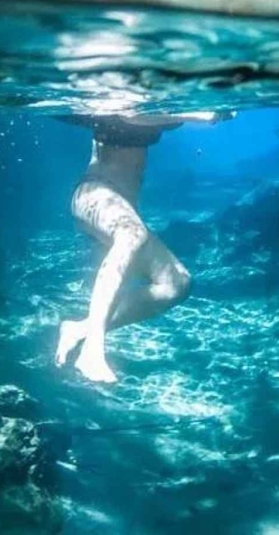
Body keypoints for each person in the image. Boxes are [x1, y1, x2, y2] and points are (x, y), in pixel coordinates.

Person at [55, 111, 225, 383]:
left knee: (177, 284)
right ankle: (92, 350)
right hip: (94, 192)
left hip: (121, 203)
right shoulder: (118, 100)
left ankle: (79, 330)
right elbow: (131, 115)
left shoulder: (159, 100)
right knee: (131, 233)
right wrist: (192, 114)